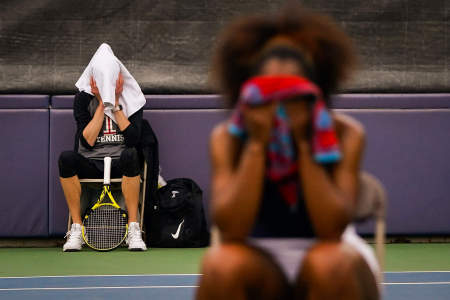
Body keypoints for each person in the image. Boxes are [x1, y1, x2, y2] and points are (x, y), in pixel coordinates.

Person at [197, 5, 380, 300]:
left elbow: (331, 229)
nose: (278, 106)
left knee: (329, 264)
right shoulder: (228, 139)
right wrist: (256, 144)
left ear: (313, 93)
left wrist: (305, 142)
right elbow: (230, 229)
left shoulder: (346, 134)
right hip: (258, 257)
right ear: (247, 94)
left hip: (333, 253)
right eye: (267, 94)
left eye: (291, 95)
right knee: (221, 265)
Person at [60, 43, 147, 252]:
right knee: (66, 159)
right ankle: (77, 229)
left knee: (132, 153)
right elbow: (87, 141)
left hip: (121, 162)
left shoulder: (131, 98)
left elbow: (134, 138)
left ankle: (134, 229)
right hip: (91, 162)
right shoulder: (83, 99)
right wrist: (101, 103)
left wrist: (115, 104)